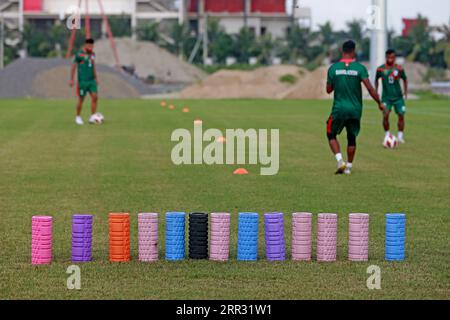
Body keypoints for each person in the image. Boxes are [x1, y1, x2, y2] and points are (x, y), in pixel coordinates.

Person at [326, 40, 385, 175]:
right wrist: (380, 103)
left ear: (342, 50)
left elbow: (328, 90)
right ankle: (349, 167)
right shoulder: (360, 68)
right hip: (355, 110)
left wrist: (339, 82)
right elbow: (370, 88)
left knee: (330, 133)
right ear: (353, 51)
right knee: (351, 137)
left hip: (339, 109)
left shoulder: (333, 68)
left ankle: (340, 160)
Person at [375, 49, 408, 143]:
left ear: (395, 58)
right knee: (385, 115)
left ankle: (400, 136)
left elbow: (405, 79)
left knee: (401, 115)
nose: (390, 59)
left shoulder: (399, 68)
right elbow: (376, 80)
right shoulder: (380, 69)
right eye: (388, 57)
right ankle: (387, 134)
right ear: (386, 57)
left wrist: (405, 92)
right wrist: (376, 92)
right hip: (386, 97)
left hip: (398, 97)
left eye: (392, 57)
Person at [69, 38, 99, 125]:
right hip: (82, 81)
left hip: (91, 80)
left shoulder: (93, 54)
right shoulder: (79, 55)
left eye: (92, 46)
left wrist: (96, 78)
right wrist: (71, 79)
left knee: (95, 97)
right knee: (81, 99)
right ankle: (78, 117)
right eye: (89, 45)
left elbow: (93, 65)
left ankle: (92, 117)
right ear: (85, 45)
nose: (91, 47)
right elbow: (73, 66)